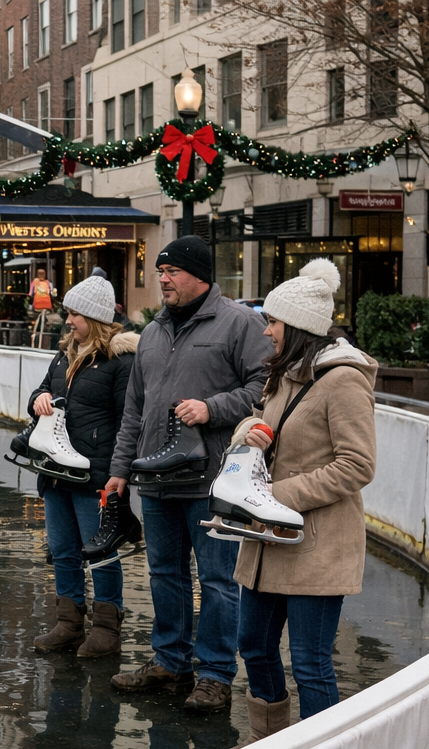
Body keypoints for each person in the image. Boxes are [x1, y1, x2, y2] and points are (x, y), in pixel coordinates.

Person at [106, 236, 274, 711]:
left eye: (172, 271)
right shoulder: (154, 330)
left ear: (200, 275)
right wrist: (120, 470)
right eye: (160, 271)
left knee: (219, 580)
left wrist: (213, 408)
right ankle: (169, 662)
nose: (163, 279)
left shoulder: (241, 323)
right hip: (155, 478)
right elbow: (134, 408)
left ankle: (216, 675)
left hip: (213, 481)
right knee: (164, 573)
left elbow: (265, 388)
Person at [231, 260, 376, 740]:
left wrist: (275, 494)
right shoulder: (284, 373)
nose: (266, 330)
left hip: (315, 543)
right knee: (253, 645)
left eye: (272, 321)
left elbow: (357, 465)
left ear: (295, 328)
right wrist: (247, 430)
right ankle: (267, 746)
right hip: (265, 538)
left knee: (311, 664)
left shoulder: (343, 380)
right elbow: (257, 419)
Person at [28, 275, 138, 658]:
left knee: (101, 551)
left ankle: (107, 627)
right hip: (56, 472)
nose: (68, 320)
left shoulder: (120, 361)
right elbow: (39, 391)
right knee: (62, 549)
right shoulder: (64, 354)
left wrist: (117, 474)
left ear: (95, 317)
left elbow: (130, 420)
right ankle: (69, 623)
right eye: (68, 312)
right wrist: (39, 398)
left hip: (96, 475)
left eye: (75, 314)